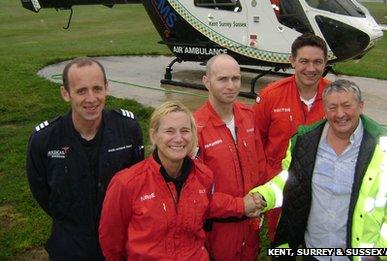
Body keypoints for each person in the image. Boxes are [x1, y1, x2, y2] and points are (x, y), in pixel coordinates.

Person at [251, 79, 387, 260]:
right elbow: (289, 183)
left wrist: (380, 253)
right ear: (324, 110)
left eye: (347, 106)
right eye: (332, 107)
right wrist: (262, 196)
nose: (340, 114)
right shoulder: (304, 141)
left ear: (361, 106)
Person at [99, 101, 262, 260]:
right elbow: (111, 242)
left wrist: (242, 205)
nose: (178, 138)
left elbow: (210, 205)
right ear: (154, 135)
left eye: (184, 130)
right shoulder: (127, 183)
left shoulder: (203, 176)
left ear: (193, 134)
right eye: (169, 131)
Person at [26, 57, 144, 260]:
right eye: (81, 91)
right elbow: (41, 191)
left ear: (107, 88)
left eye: (97, 89)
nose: (91, 99)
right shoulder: (44, 140)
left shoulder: (128, 129)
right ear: (65, 93)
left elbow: (138, 182)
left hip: (119, 244)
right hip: (70, 245)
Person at [253, 33, 331, 241]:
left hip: (321, 186)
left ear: (326, 63)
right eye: (304, 61)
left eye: (317, 62)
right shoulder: (271, 95)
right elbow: (256, 143)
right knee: (279, 241)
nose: (311, 69)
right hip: (280, 183)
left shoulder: (335, 96)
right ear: (292, 61)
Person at [194, 54, 267, 261]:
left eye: (235, 79)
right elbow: (197, 194)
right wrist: (240, 206)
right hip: (218, 232)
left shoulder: (248, 116)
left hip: (250, 227)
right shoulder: (196, 128)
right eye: (222, 79)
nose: (231, 85)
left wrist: (259, 199)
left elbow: (260, 167)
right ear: (206, 82)